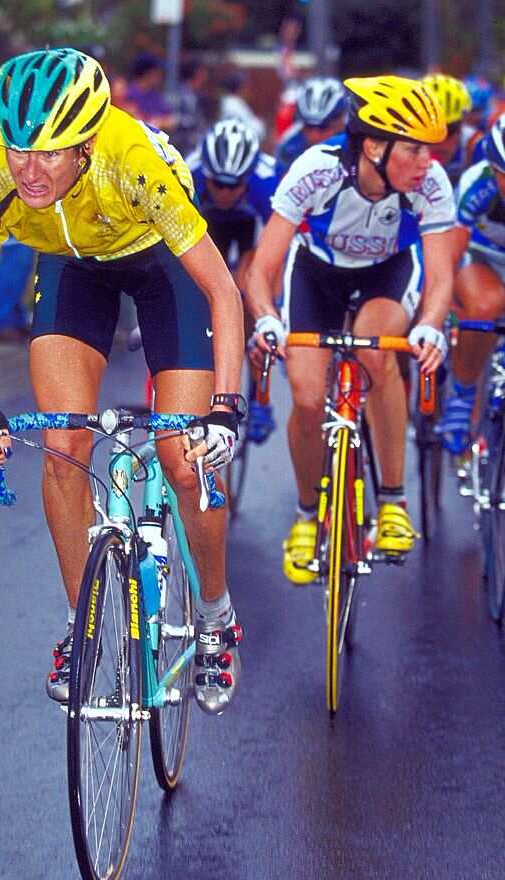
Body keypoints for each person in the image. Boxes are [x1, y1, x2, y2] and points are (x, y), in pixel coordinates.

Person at [0, 49, 245, 715]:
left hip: (159, 264)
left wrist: (224, 410)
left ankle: (215, 612)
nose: (29, 169)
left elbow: (223, 293)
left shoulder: (132, 161)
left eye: (51, 153)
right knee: (62, 449)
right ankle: (80, 626)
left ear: (86, 144)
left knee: (183, 456)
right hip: (71, 267)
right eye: (17, 149)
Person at [245, 75, 454, 582]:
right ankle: (306, 512)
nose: (427, 161)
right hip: (317, 274)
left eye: (429, 149)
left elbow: (442, 273)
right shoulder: (317, 170)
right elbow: (262, 268)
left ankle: (392, 501)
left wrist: (429, 326)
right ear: (374, 146)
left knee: (377, 354)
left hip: (388, 273)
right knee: (308, 395)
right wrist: (266, 317)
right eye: (414, 149)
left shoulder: (429, 182)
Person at [188, 119, 279, 442]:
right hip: (207, 228)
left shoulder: (267, 180)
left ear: (247, 178)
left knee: (250, 296)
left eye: (233, 185)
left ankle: (261, 401)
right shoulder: (189, 173)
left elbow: (276, 248)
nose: (225, 192)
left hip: (250, 233)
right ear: (207, 175)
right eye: (218, 184)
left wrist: (265, 298)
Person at [436, 116, 505, 454]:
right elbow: (451, 250)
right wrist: (442, 300)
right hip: (483, 258)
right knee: (485, 306)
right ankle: (462, 397)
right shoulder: (477, 184)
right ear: (492, 168)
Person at [274, 77, 348, 177]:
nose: (314, 136)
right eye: (308, 127)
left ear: (341, 120)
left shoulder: (359, 142)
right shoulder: (288, 147)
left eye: (323, 127)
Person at [422, 73, 476, 185]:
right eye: (429, 131)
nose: (439, 141)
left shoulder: (475, 144)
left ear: (462, 124)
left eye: (449, 130)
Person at [170, 58, 210, 157]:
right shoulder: (180, 93)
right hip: (182, 148)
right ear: (196, 73)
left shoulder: (196, 94)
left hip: (194, 146)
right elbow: (173, 119)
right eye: (203, 72)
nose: (205, 76)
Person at [125, 54, 175, 132]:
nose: (160, 75)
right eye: (157, 71)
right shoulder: (128, 94)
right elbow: (137, 121)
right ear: (148, 73)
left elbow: (171, 120)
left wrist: (160, 122)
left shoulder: (155, 94)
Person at [220, 72, 266, 142]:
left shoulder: (235, 102)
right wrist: (261, 124)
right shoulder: (233, 105)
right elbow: (254, 131)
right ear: (240, 88)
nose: (248, 90)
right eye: (246, 87)